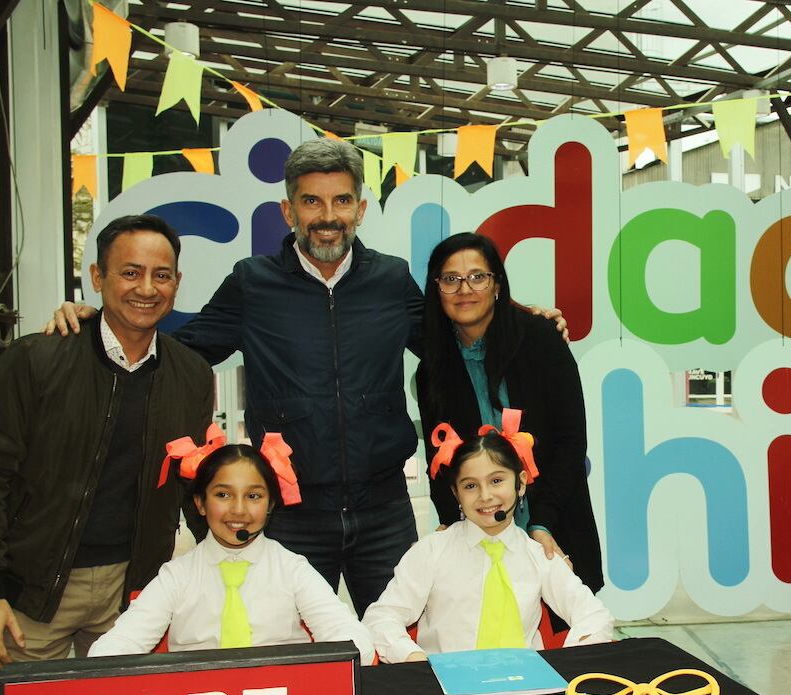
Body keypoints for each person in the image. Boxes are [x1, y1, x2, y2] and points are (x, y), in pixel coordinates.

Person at [50, 141, 568, 617]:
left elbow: (452, 333)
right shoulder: (253, 283)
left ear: (360, 210)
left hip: (384, 509)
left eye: (341, 201)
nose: (327, 217)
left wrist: (523, 318)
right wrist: (100, 322)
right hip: (292, 514)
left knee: (400, 645)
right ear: (289, 210)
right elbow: (184, 349)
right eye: (312, 202)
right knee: (292, 650)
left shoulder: (390, 280)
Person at [0, 214, 214, 673]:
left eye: (162, 275)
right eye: (130, 272)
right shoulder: (37, 359)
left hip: (134, 589)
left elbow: (190, 478)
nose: (146, 288)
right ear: (97, 277)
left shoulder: (191, 374)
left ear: (177, 283)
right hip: (33, 587)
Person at [418, 232, 603, 596]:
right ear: (436, 291)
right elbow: (438, 464)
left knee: (564, 641)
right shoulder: (432, 372)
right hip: (479, 539)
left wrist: (543, 522)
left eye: (477, 276)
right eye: (450, 280)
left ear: (497, 285)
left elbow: (570, 441)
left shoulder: (541, 339)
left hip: (553, 524)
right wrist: (451, 524)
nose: (464, 289)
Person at [90, 440, 373, 663]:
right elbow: (119, 644)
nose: (238, 510)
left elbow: (351, 637)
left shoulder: (292, 569)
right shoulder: (175, 576)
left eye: (253, 496)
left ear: (271, 504)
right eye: (223, 495)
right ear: (200, 503)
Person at [363, 422, 613, 663]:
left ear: (521, 483)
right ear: (455, 493)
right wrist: (414, 659)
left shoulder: (538, 555)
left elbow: (594, 615)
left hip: (527, 690)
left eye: (496, 481)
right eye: (470, 486)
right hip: (443, 689)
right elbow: (381, 617)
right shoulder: (431, 550)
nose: (485, 496)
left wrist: (568, 660)